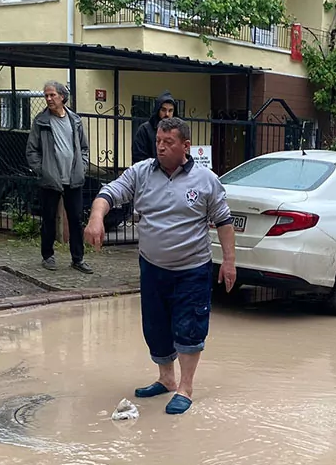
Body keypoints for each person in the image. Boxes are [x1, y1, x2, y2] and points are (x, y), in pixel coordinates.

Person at [84, 117, 237, 415]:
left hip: (192, 270)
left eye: (169, 143)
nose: (161, 148)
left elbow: (224, 221)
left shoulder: (206, 180)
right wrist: (96, 217)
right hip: (153, 268)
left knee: (189, 328)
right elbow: (109, 193)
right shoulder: (142, 173)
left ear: (186, 146)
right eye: (158, 142)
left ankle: (185, 387)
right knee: (155, 327)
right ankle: (166, 379)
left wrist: (229, 262)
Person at [26, 80, 93, 274]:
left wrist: (83, 166)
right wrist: (43, 170)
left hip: (73, 178)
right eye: (46, 95)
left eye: (52, 95)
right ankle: (48, 256)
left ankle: (78, 259)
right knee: (48, 219)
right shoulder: (41, 121)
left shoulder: (75, 120)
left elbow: (83, 148)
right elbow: (32, 151)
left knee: (76, 218)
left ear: (62, 97)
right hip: (51, 179)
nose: (48, 99)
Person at [131, 91, 176, 164]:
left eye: (170, 110)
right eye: (163, 110)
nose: (167, 114)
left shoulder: (177, 131)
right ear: (158, 110)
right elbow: (138, 158)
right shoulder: (145, 130)